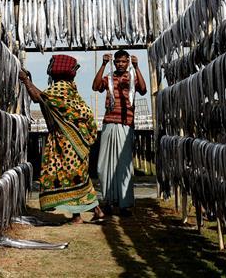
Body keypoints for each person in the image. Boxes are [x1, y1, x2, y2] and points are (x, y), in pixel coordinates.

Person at [19, 54, 105, 224]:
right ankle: (85, 214)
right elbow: (44, 97)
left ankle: (87, 213)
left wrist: (26, 81)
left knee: (74, 176)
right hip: (74, 140)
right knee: (77, 176)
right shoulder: (68, 87)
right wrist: (29, 81)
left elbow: (38, 98)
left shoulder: (59, 89)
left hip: (68, 142)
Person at [92, 49, 147, 216]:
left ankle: (124, 204)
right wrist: (103, 64)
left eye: (124, 61)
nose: (121, 64)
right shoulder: (109, 77)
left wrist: (137, 68)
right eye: (118, 62)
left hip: (126, 124)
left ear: (128, 62)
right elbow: (95, 87)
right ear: (114, 62)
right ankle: (108, 201)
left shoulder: (132, 78)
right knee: (104, 166)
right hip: (109, 123)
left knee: (123, 166)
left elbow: (143, 90)